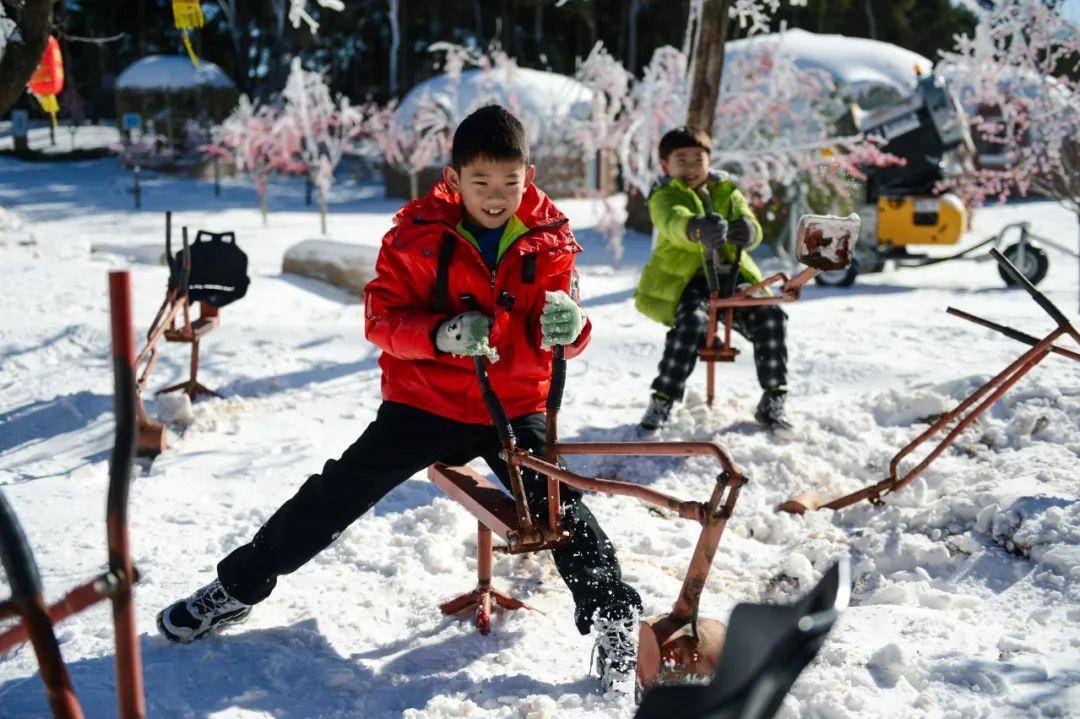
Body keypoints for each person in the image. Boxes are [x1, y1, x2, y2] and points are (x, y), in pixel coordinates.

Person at [157, 105, 642, 691]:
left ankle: (617, 617)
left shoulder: (550, 238)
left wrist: (572, 327)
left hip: (511, 406)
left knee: (559, 504)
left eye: (510, 184)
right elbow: (381, 320)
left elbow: (562, 328)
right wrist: (440, 336)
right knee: (336, 493)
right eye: (481, 183)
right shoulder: (415, 236)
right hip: (422, 403)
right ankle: (237, 587)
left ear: (529, 175)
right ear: (453, 177)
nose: (496, 197)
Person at [635, 126, 791, 433]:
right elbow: (672, 221)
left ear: (710, 160)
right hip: (688, 280)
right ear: (666, 165)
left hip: (731, 275)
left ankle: (774, 398)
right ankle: (663, 399)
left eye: (698, 159)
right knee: (691, 325)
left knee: (770, 315)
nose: (692, 167)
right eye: (682, 160)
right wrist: (694, 228)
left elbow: (752, 225)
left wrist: (748, 230)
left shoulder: (727, 192)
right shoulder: (664, 195)